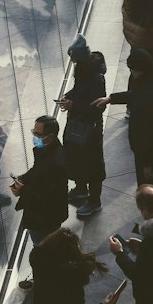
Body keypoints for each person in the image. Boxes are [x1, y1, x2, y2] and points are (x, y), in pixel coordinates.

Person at [96, 48, 153, 190]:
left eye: (132, 70)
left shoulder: (149, 97)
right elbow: (137, 94)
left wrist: (146, 164)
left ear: (141, 70)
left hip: (150, 150)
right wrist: (111, 99)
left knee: (149, 187)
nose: (132, 73)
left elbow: (148, 132)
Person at [59, 36, 107, 218]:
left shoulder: (96, 77)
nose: (71, 61)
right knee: (76, 156)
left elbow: (97, 107)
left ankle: (95, 200)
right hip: (78, 123)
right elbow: (79, 90)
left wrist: (74, 106)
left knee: (93, 164)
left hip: (90, 128)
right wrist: (68, 96)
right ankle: (80, 189)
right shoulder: (82, 70)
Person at [12, 114, 68, 246]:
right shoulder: (45, 150)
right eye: (33, 132)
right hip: (41, 215)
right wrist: (22, 179)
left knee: (44, 248)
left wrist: (22, 190)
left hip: (45, 219)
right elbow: (36, 169)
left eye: (38, 134)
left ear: (50, 136)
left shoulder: (57, 163)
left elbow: (48, 197)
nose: (35, 137)